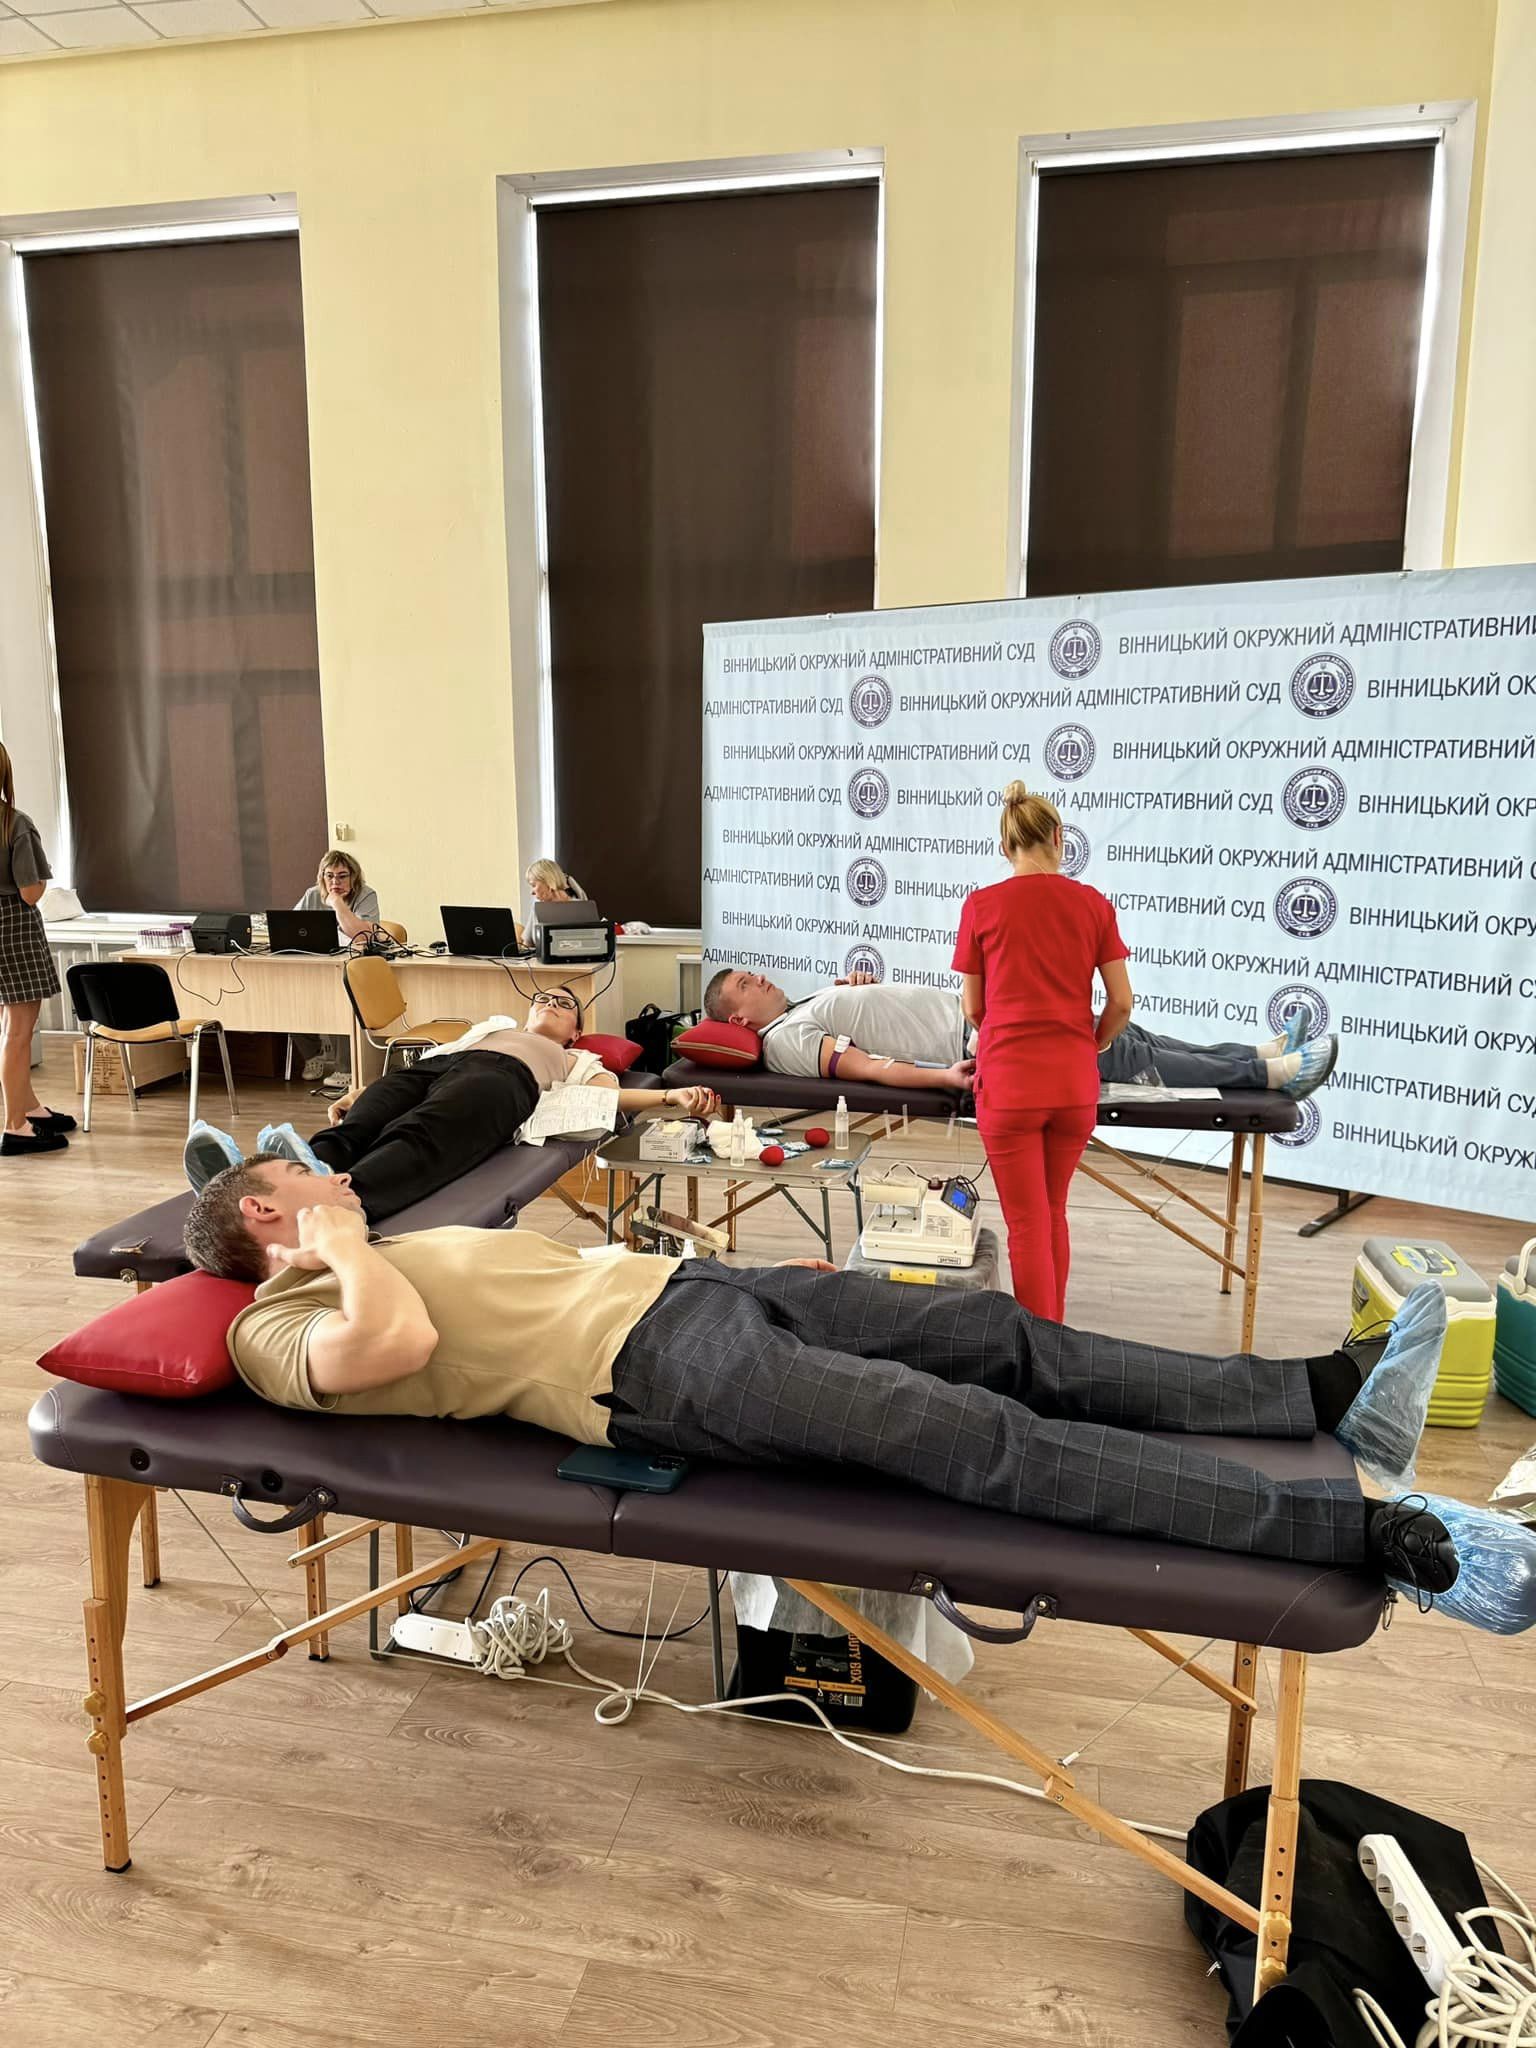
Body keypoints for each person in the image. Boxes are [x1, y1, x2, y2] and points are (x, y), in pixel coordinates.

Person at [179, 1167, 1536, 1633]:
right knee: (977, 1437)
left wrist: (348, 1233)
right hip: (659, 1377)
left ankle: (1323, 1393)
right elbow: (398, 1342)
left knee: (997, 1334)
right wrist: (334, 1243)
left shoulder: (363, 1246)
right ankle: (1374, 1539)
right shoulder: (271, 1327)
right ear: (263, 1217)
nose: (331, 1177)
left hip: (699, 1290)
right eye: (302, 1181)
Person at [185, 985, 719, 1224]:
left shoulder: (579, 1059)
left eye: (564, 1005)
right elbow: (429, 1058)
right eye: (544, 999)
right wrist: (364, 1090)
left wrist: (670, 1095)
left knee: (418, 1136)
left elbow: (608, 1097)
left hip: (505, 1080)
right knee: (359, 1125)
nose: (550, 1004)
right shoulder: (492, 1026)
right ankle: (249, 1179)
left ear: (576, 1031)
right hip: (441, 1066)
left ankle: (338, 1202)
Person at [951, 784, 1132, 1316]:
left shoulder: (981, 906)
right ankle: (1054, 1339)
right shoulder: (1094, 905)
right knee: (1053, 1212)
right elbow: (1121, 1002)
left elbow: (972, 1008)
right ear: (1058, 837)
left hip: (1010, 1085)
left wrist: (1004, 1034)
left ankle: (1041, 1347)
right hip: (1073, 1084)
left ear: (1005, 847)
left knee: (1027, 1224)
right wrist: (1091, 1044)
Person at [703, 970, 1338, 1099]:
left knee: (1123, 1033)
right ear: (738, 1021)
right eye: (745, 984)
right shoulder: (784, 1039)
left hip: (981, 1020)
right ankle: (1272, 1076)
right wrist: (941, 1079)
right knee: (1120, 1054)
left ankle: (1258, 1054)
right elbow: (863, 1068)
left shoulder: (801, 1007)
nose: (759, 978)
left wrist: (851, 991)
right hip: (977, 1046)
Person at [0, 743, 76, 1159]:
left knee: (7, 1029)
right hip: (12, 930)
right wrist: (42, 881)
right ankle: (16, 1126)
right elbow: (30, 893)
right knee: (18, 1033)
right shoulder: (15, 823)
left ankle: (28, 1107)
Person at [291, 850, 383, 1088]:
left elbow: (360, 935)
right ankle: (313, 1055)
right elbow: (291, 928)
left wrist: (336, 903)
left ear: (353, 877)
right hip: (314, 965)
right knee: (289, 997)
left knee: (343, 999)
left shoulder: (365, 895)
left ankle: (346, 1069)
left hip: (352, 969)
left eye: (342, 876)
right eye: (329, 876)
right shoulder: (312, 895)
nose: (335, 882)